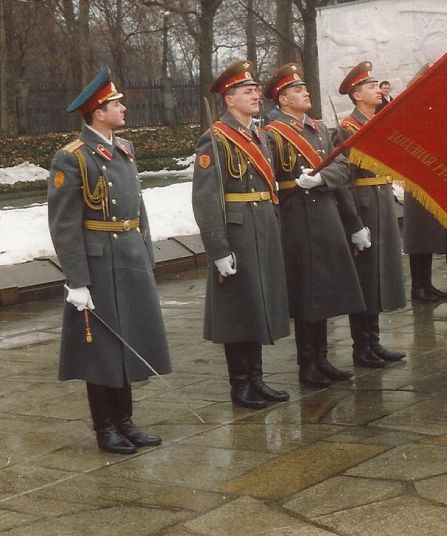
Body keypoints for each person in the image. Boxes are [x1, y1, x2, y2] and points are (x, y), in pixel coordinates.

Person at [47, 66, 171, 455]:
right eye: (116, 104)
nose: (123, 108)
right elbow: (64, 224)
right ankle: (106, 427)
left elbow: (139, 207)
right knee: (102, 349)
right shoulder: (72, 158)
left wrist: (146, 254)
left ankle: (126, 420)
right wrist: (77, 280)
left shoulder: (125, 148)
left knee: (128, 339)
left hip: (129, 256)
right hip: (98, 263)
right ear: (98, 112)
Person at [192, 60, 290, 409]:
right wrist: (218, 248)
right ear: (229, 100)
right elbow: (205, 199)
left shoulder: (258, 133)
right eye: (247, 92)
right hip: (237, 230)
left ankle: (257, 379)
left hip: (262, 224)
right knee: (239, 308)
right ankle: (241, 385)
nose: (256, 96)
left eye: (256, 90)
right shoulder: (215, 138)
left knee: (258, 303)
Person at [263, 63, 367, 387]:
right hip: (296, 219)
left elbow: (342, 165)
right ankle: (307, 363)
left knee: (323, 291)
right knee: (306, 292)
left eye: (304, 87)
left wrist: (321, 177)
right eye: (296, 90)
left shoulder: (320, 128)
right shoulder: (272, 134)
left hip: (325, 214)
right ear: (282, 99)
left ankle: (322, 359)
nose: (305, 92)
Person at [336, 61, 407, 368]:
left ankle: (373, 341)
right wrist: (354, 222)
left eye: (377, 85)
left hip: (382, 200)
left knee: (379, 274)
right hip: (364, 204)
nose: (377, 90)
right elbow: (345, 179)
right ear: (355, 95)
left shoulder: (377, 122)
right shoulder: (347, 129)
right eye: (370, 87)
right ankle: (361, 346)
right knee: (365, 276)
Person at [402, 64, 447, 302]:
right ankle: (420, 285)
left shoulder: (440, 111)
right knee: (423, 234)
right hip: (422, 181)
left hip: (445, 178)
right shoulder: (411, 115)